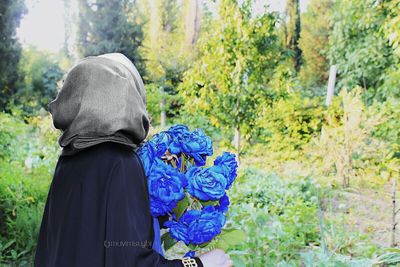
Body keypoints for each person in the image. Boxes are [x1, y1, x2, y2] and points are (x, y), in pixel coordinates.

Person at [34, 53, 233, 267]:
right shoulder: (119, 161)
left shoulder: (70, 158)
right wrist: (201, 264)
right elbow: (131, 261)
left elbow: (88, 238)